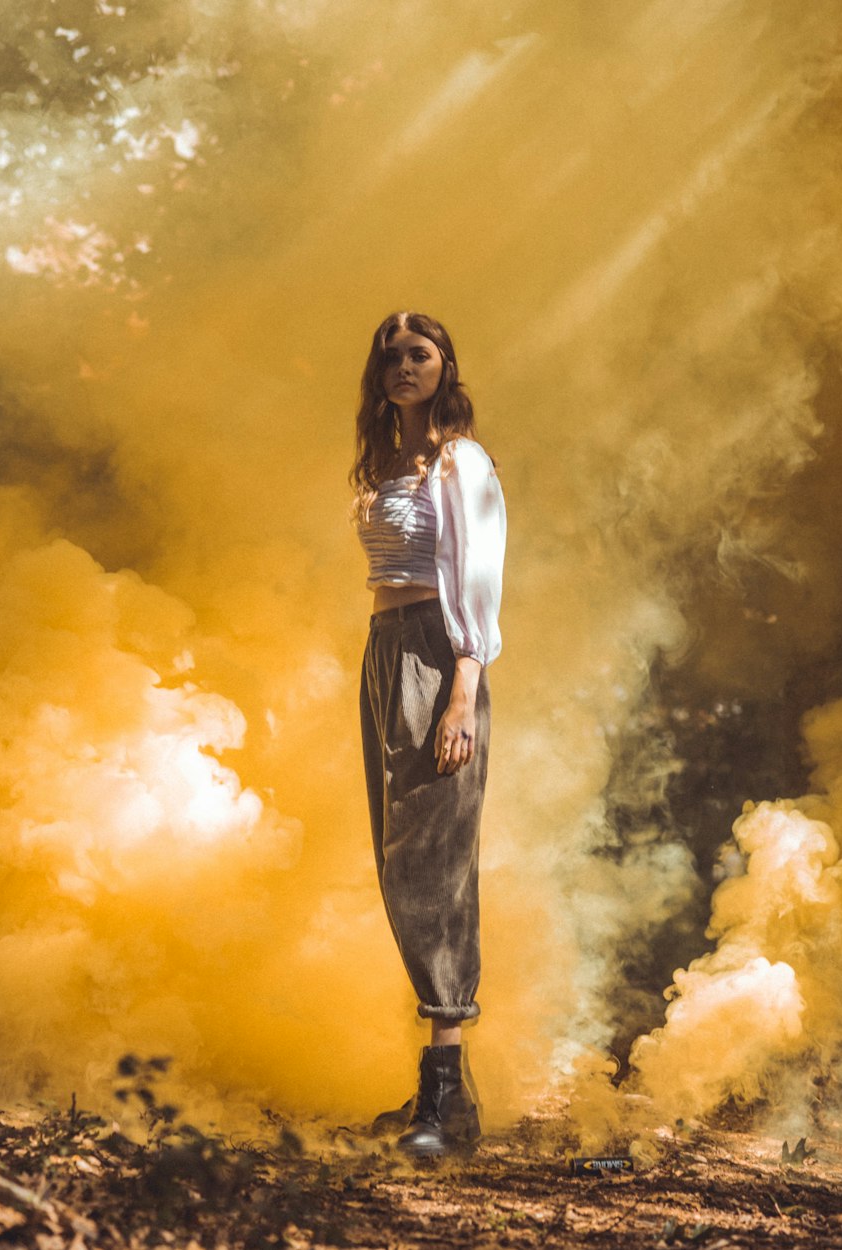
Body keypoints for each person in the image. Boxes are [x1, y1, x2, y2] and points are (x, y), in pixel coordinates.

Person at [351, 311, 506, 1157]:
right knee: (394, 855)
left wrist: (461, 691)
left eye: (421, 354)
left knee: (433, 863)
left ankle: (445, 1102)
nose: (404, 366)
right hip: (383, 654)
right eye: (392, 357)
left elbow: (478, 578)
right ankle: (444, 1096)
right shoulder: (383, 466)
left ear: (446, 367)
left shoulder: (461, 462)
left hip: (439, 657)